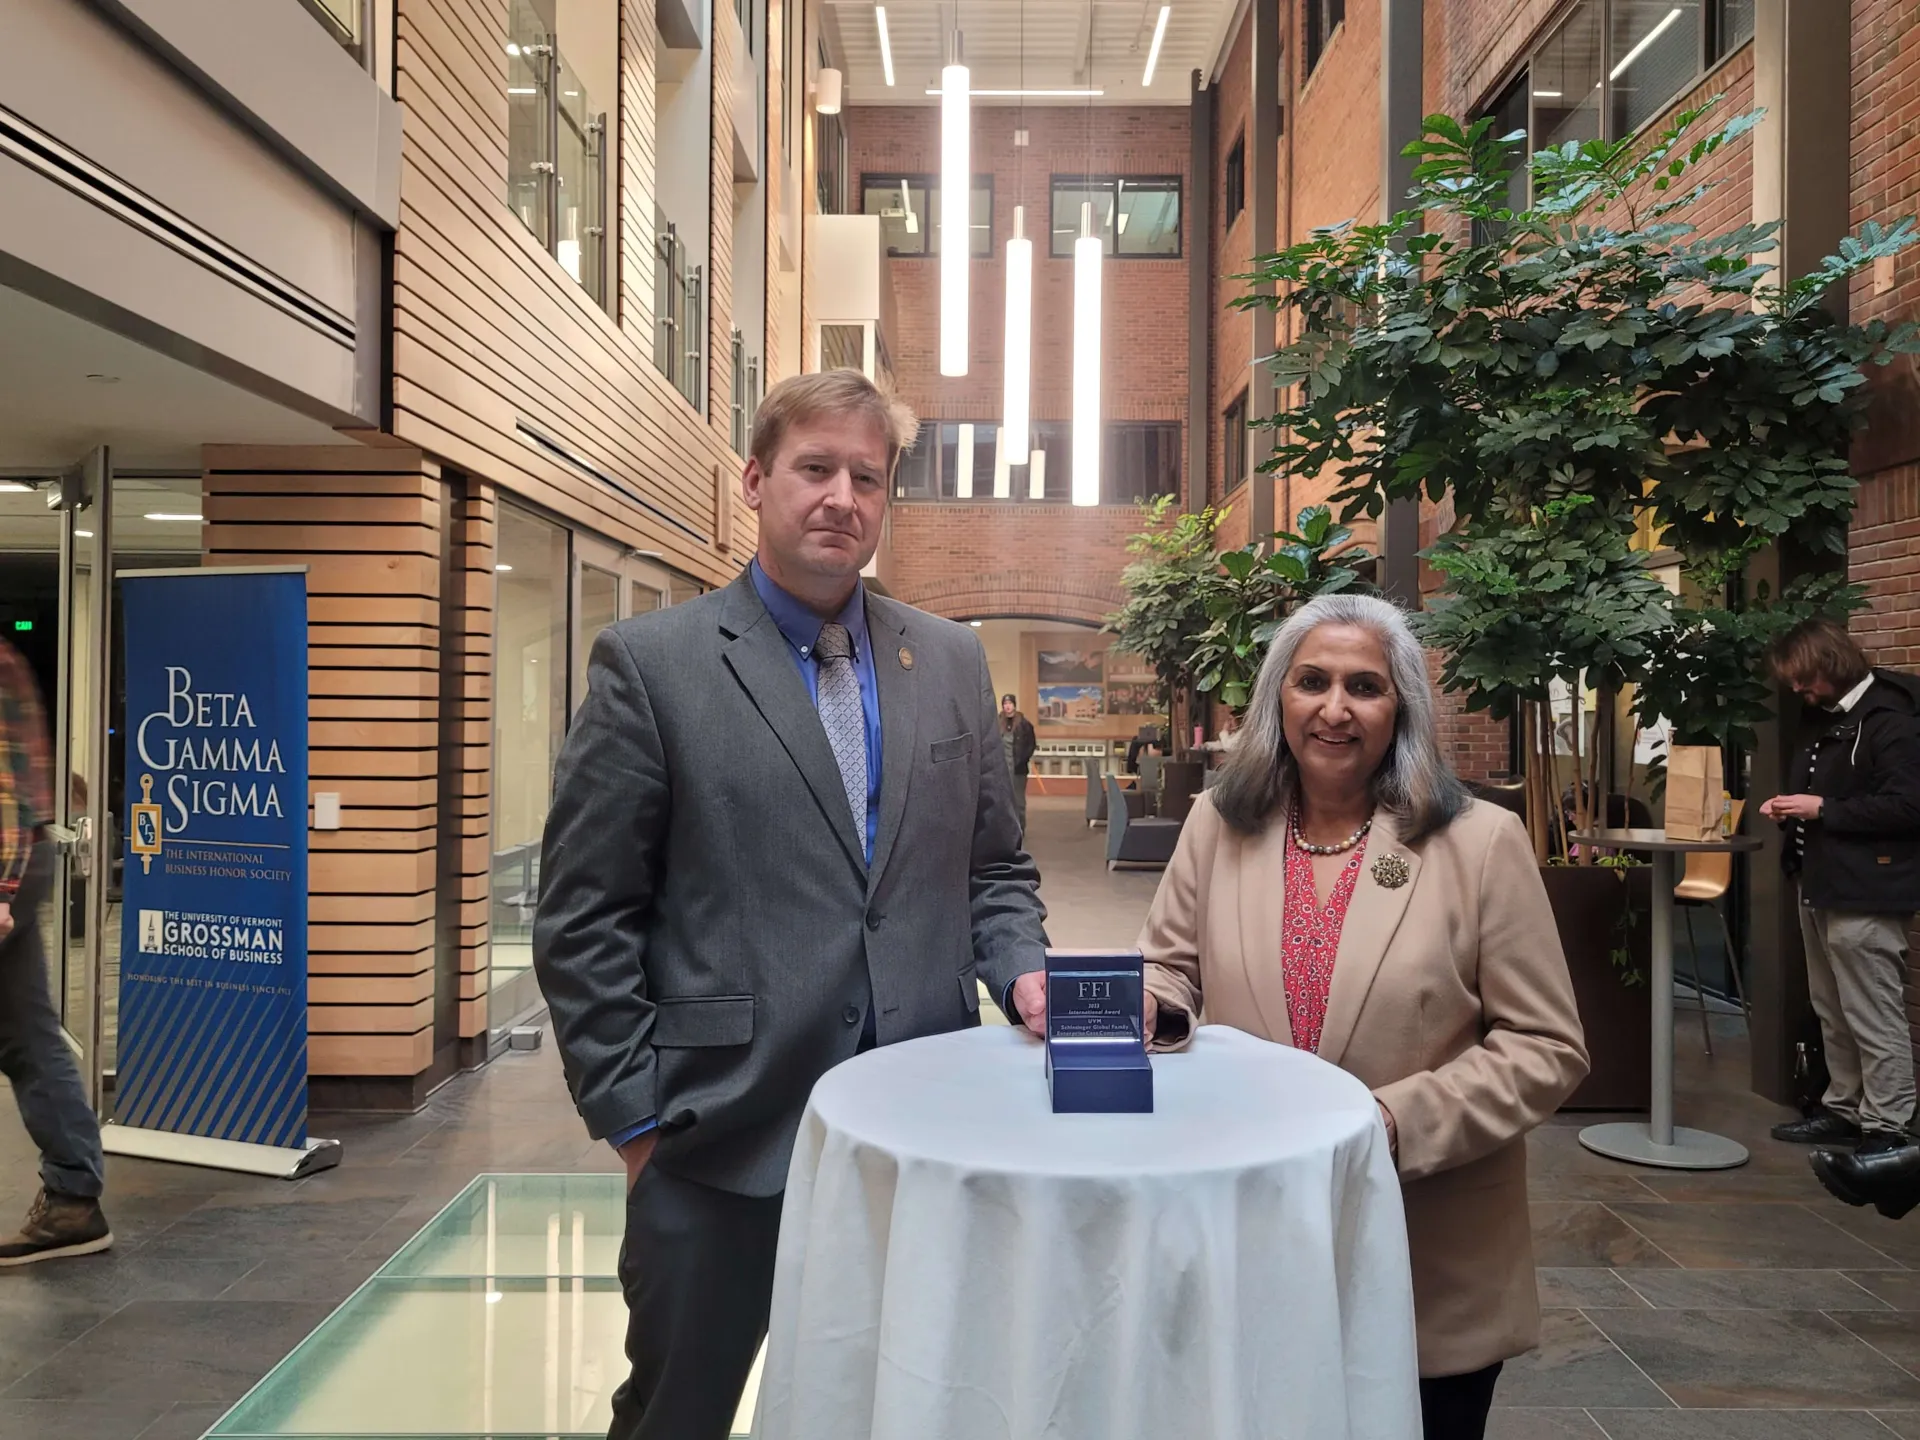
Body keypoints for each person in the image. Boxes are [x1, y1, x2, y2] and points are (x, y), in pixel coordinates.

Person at [533, 369, 1051, 1440]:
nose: (841, 498)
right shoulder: (654, 666)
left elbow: (994, 870)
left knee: (902, 1414)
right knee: (677, 1416)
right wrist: (639, 1123)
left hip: (920, 1135)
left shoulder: (948, 662)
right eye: (816, 468)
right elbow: (585, 914)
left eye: (867, 477)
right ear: (755, 481)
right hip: (721, 1141)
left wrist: (1025, 973)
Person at [1136, 595, 1588, 1440]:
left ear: (1400, 708)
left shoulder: (1481, 843)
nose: (1335, 708)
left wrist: (1385, 1121)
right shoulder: (1216, 824)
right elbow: (1170, 966)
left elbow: (1546, 1046)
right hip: (1248, 1239)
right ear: (1279, 697)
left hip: (1425, 1252)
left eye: (1364, 687)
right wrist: (1150, 1008)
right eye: (1312, 681)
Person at [1759, 618, 1920, 1159]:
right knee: (1832, 1006)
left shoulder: (1890, 718)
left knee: (1872, 1009)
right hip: (1820, 881)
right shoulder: (1826, 717)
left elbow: (1909, 806)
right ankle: (1844, 1110)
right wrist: (1792, 806)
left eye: (1805, 680)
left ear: (1831, 663)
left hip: (1868, 888)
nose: (1800, 691)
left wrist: (1821, 808)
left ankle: (1888, 1128)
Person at [0, 634, 111, 1266]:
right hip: (20, 861)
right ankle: (73, 1199)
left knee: (30, 1038)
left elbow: (6, 794)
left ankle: (74, 1195)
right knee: (27, 1037)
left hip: (10, 863)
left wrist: (2, 888)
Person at [1000, 694, 1036, 838]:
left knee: (1019, 800)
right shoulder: (997, 723)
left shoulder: (1024, 724)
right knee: (1003, 800)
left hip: (1018, 769)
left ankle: (1020, 828)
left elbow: (1031, 745)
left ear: (1014, 705)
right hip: (1002, 768)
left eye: (1010, 703)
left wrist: (1023, 759)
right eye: (1005, 703)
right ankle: (1004, 828)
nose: (1007, 706)